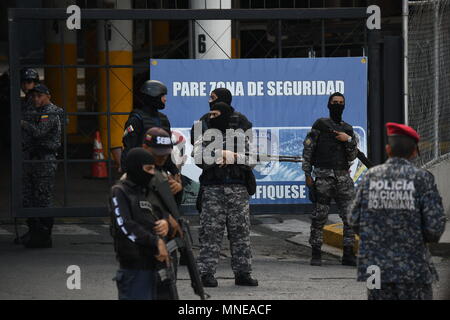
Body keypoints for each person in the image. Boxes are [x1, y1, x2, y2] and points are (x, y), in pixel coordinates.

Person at [349, 122, 446, 300]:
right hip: (414, 266)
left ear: (388, 149)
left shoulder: (371, 176)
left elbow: (355, 220)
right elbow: (434, 228)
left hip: (375, 267)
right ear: (415, 151)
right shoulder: (422, 178)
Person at [193, 100, 258, 288]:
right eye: (211, 115)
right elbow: (198, 157)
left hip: (237, 190)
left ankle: (243, 273)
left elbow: (253, 159)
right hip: (213, 190)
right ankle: (206, 273)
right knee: (210, 233)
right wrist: (217, 155)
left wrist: (234, 157)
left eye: (215, 115)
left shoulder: (240, 136)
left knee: (240, 233)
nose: (211, 118)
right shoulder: (205, 136)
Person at [302, 92, 358, 266]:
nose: (338, 105)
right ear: (329, 104)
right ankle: (316, 253)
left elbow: (352, 156)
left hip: (343, 178)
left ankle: (348, 254)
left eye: (341, 102)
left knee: (350, 217)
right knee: (320, 216)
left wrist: (347, 140)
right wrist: (307, 174)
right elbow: (308, 151)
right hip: (323, 177)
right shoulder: (320, 125)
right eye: (335, 102)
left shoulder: (348, 129)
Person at [110, 148, 171, 300]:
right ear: (136, 168)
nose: (151, 173)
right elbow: (125, 225)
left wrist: (164, 221)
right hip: (134, 267)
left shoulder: (144, 190)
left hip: (153, 265)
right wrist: (155, 241)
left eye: (153, 168)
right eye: (148, 168)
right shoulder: (120, 191)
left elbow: (157, 211)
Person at [19, 84, 62, 248]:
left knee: (43, 197)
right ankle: (34, 233)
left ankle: (44, 235)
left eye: (39, 96)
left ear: (47, 96)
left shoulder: (50, 111)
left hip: (45, 159)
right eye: (34, 96)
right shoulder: (36, 111)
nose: (36, 99)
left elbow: (39, 132)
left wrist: (23, 123)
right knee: (30, 196)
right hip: (33, 158)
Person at [121, 80, 178, 177]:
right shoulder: (136, 119)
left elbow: (166, 151)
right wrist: (129, 174)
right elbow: (129, 150)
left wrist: (175, 171)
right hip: (140, 173)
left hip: (160, 174)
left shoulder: (164, 120)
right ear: (154, 96)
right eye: (163, 96)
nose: (165, 99)